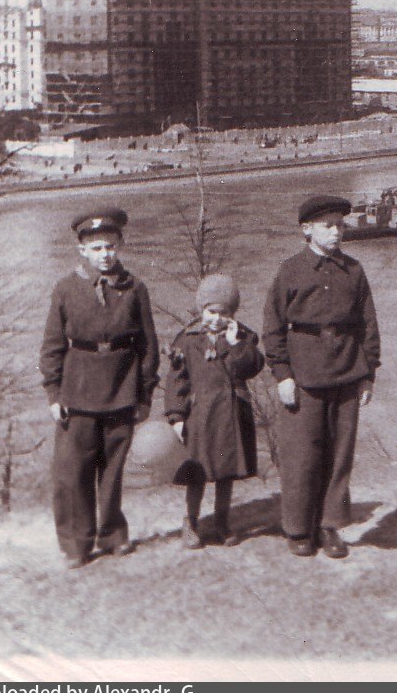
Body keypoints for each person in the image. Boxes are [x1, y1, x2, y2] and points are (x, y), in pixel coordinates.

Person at [39, 207, 159, 570]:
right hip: (77, 394)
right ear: (81, 250)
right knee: (72, 472)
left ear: (120, 245)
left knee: (112, 471)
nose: (105, 254)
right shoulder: (65, 288)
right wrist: (54, 394)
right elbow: (52, 346)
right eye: (96, 248)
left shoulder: (135, 288)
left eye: (110, 246)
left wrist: (144, 394)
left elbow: (149, 347)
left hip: (121, 390)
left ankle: (112, 534)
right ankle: (77, 543)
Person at [263, 194, 381, 559]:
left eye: (340, 225)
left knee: (339, 455)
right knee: (301, 456)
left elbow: (368, 325)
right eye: (328, 226)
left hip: (347, 373)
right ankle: (299, 528)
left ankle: (329, 526)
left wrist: (368, 374)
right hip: (304, 378)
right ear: (307, 230)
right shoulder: (290, 271)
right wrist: (282, 374)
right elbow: (273, 327)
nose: (336, 232)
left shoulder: (354, 270)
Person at [164, 274, 265, 549]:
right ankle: (191, 522)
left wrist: (235, 344)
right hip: (200, 416)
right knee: (196, 473)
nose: (216, 318)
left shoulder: (242, 337)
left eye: (224, 313)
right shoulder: (187, 339)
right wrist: (176, 416)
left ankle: (222, 521)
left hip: (231, 415)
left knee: (226, 473)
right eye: (211, 311)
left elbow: (251, 368)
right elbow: (176, 380)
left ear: (232, 314)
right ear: (201, 309)